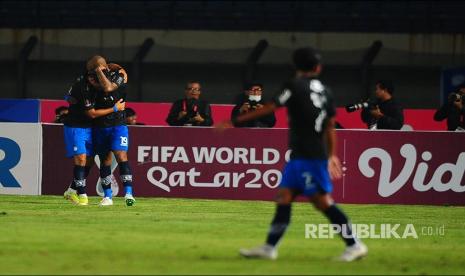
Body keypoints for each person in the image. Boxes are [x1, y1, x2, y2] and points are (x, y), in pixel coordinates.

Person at [217, 47, 367, 262]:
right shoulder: (325, 90)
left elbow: (271, 106)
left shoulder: (294, 85)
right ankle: (269, 247)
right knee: (284, 197)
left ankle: (354, 244)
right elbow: (330, 125)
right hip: (303, 155)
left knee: (323, 202)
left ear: (295, 66)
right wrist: (332, 154)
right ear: (318, 67)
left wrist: (234, 121)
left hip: (309, 156)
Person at [62, 56, 125, 206]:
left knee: (91, 162)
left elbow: (122, 75)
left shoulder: (107, 77)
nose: (95, 80)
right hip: (77, 126)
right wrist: (115, 108)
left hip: (94, 127)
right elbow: (91, 113)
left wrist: (115, 69)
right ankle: (83, 195)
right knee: (82, 160)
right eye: (95, 75)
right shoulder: (83, 86)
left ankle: (71, 191)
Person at [90, 56, 135, 206]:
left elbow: (109, 87)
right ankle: (107, 196)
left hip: (118, 124)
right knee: (105, 160)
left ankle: (129, 193)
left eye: (98, 67)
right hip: (101, 125)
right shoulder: (92, 79)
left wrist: (104, 68)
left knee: (121, 155)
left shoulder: (119, 75)